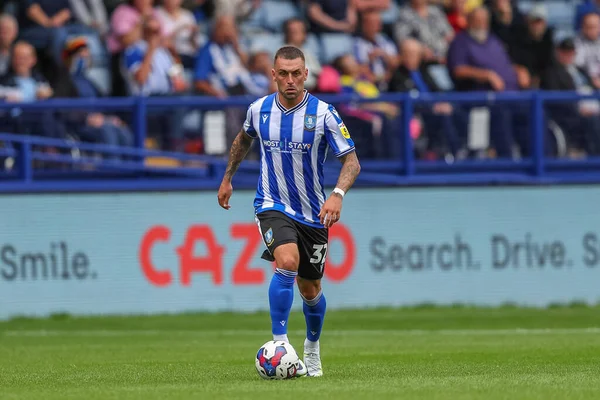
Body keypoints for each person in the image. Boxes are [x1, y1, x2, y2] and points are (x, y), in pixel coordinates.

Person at [217, 46, 361, 377]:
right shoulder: (259, 110)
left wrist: (337, 194)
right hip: (271, 203)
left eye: (296, 73)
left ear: (306, 74)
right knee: (287, 262)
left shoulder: (325, 113)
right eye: (283, 73)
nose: (290, 80)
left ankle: (311, 347)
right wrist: (227, 178)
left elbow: (351, 161)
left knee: (311, 291)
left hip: (313, 213)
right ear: (273, 75)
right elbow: (242, 140)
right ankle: (281, 344)